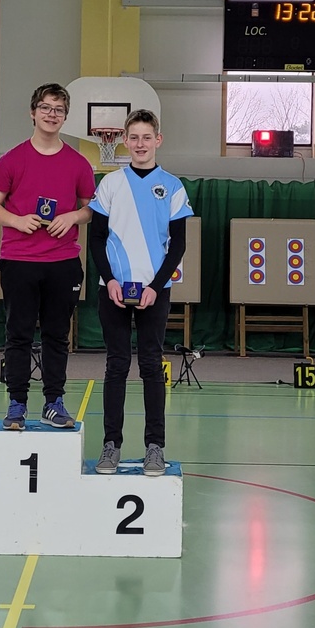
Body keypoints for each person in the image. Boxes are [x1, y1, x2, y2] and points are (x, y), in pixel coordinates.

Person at [0, 84, 95, 430]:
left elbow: (91, 208)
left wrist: (72, 217)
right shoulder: (12, 159)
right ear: (33, 112)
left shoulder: (78, 163)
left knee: (56, 336)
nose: (51, 114)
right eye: (45, 107)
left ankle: (53, 402)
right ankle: (17, 403)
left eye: (58, 109)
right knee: (18, 334)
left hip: (62, 263)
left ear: (65, 116)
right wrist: (17, 220)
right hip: (19, 261)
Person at [89, 109, 193, 477]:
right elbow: (96, 238)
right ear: (124, 141)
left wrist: (155, 286)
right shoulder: (110, 184)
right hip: (113, 291)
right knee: (116, 365)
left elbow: (178, 245)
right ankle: (111, 444)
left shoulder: (173, 187)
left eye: (147, 137)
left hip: (154, 293)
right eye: (133, 137)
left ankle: (155, 446)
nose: (140, 143)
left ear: (157, 140)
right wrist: (110, 280)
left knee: (151, 365)